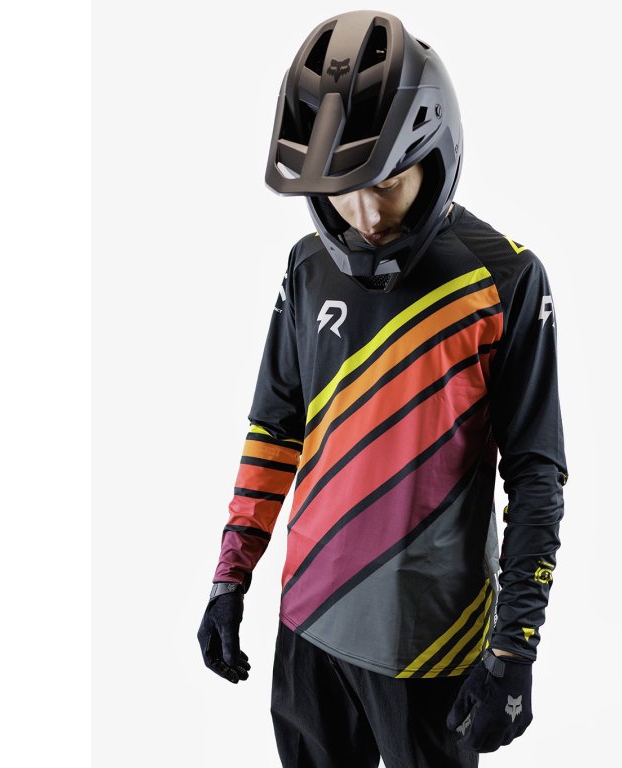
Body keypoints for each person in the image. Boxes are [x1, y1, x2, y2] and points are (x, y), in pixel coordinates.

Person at [198, 10, 567, 766]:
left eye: (389, 183)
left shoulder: (504, 277)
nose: (365, 216)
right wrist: (230, 577)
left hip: (430, 646)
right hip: (306, 629)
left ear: (435, 157)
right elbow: (276, 429)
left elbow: (536, 473)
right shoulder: (307, 266)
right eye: (343, 188)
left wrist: (515, 645)